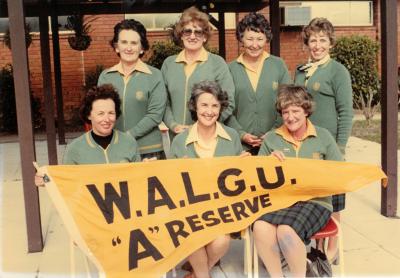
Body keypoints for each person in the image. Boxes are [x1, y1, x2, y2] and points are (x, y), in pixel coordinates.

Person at [254, 85, 343, 277]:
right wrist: (269, 164)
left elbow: (341, 171)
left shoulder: (324, 136)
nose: (290, 117)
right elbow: (258, 177)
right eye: (285, 112)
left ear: (306, 111)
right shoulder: (271, 139)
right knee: (260, 227)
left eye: (295, 110)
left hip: (315, 201)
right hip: (281, 200)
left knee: (286, 231)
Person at [170, 80, 249, 278]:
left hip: (221, 209)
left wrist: (243, 167)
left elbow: (240, 182)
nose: (209, 111)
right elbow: (170, 182)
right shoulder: (180, 141)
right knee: (192, 236)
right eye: (204, 105)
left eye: (215, 105)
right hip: (190, 210)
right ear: (194, 106)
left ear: (221, 108)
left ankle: (196, 273)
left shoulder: (231, 136)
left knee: (222, 240)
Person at [294, 17, 353, 260]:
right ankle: (313, 247)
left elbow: (346, 112)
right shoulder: (300, 71)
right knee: (310, 198)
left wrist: (339, 148)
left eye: (322, 40)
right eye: (313, 40)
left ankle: (331, 250)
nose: (317, 45)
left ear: (330, 43)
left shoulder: (338, 71)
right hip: (303, 144)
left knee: (333, 199)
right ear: (307, 43)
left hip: (328, 148)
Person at [35, 85, 141, 185]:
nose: (107, 119)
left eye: (111, 113)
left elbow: (139, 178)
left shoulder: (129, 142)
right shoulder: (75, 149)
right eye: (101, 113)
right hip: (90, 204)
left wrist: (148, 168)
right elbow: (66, 181)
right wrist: (45, 179)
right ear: (89, 115)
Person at [98, 19, 167, 160]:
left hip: (149, 150)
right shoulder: (105, 77)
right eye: (124, 42)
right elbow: (100, 112)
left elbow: (155, 114)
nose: (128, 48)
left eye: (134, 43)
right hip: (114, 149)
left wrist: (127, 136)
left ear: (142, 48)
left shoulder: (155, 75)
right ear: (116, 47)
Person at [161, 6, 235, 136]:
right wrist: (173, 125)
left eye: (198, 32)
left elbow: (228, 103)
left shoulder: (217, 63)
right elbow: (163, 102)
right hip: (176, 137)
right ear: (181, 35)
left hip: (208, 137)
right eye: (187, 31)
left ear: (205, 37)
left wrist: (203, 125)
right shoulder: (169, 64)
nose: (192, 36)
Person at [227, 12, 291, 155]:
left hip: (275, 144)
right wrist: (241, 133)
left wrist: (275, 131)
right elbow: (225, 108)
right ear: (241, 39)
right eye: (250, 39)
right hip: (240, 147)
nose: (255, 45)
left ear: (266, 39)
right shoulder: (230, 69)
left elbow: (289, 103)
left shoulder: (278, 65)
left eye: (260, 39)